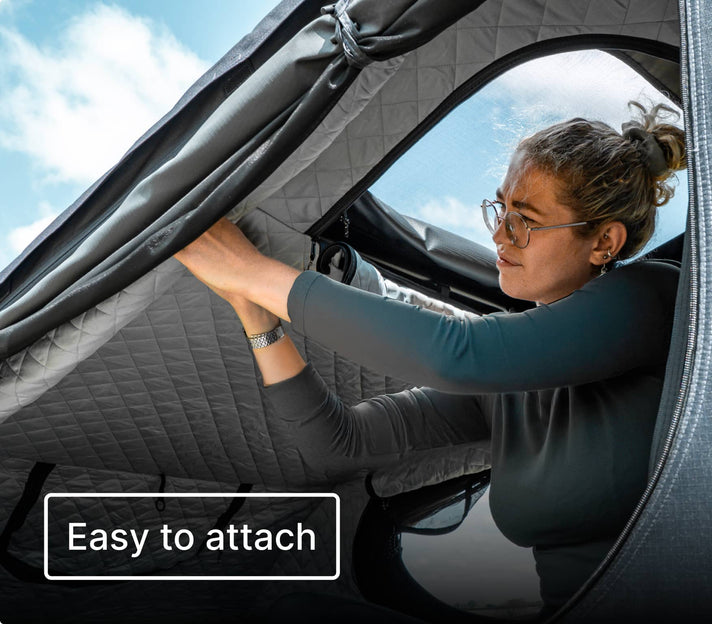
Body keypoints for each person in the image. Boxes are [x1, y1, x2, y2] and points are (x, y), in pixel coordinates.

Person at [174, 102, 686, 613]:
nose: (499, 236)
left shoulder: (653, 299)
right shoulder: (504, 391)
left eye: (525, 222)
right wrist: (254, 313)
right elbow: (338, 444)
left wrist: (250, 270)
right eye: (500, 209)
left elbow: (457, 353)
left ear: (604, 242)